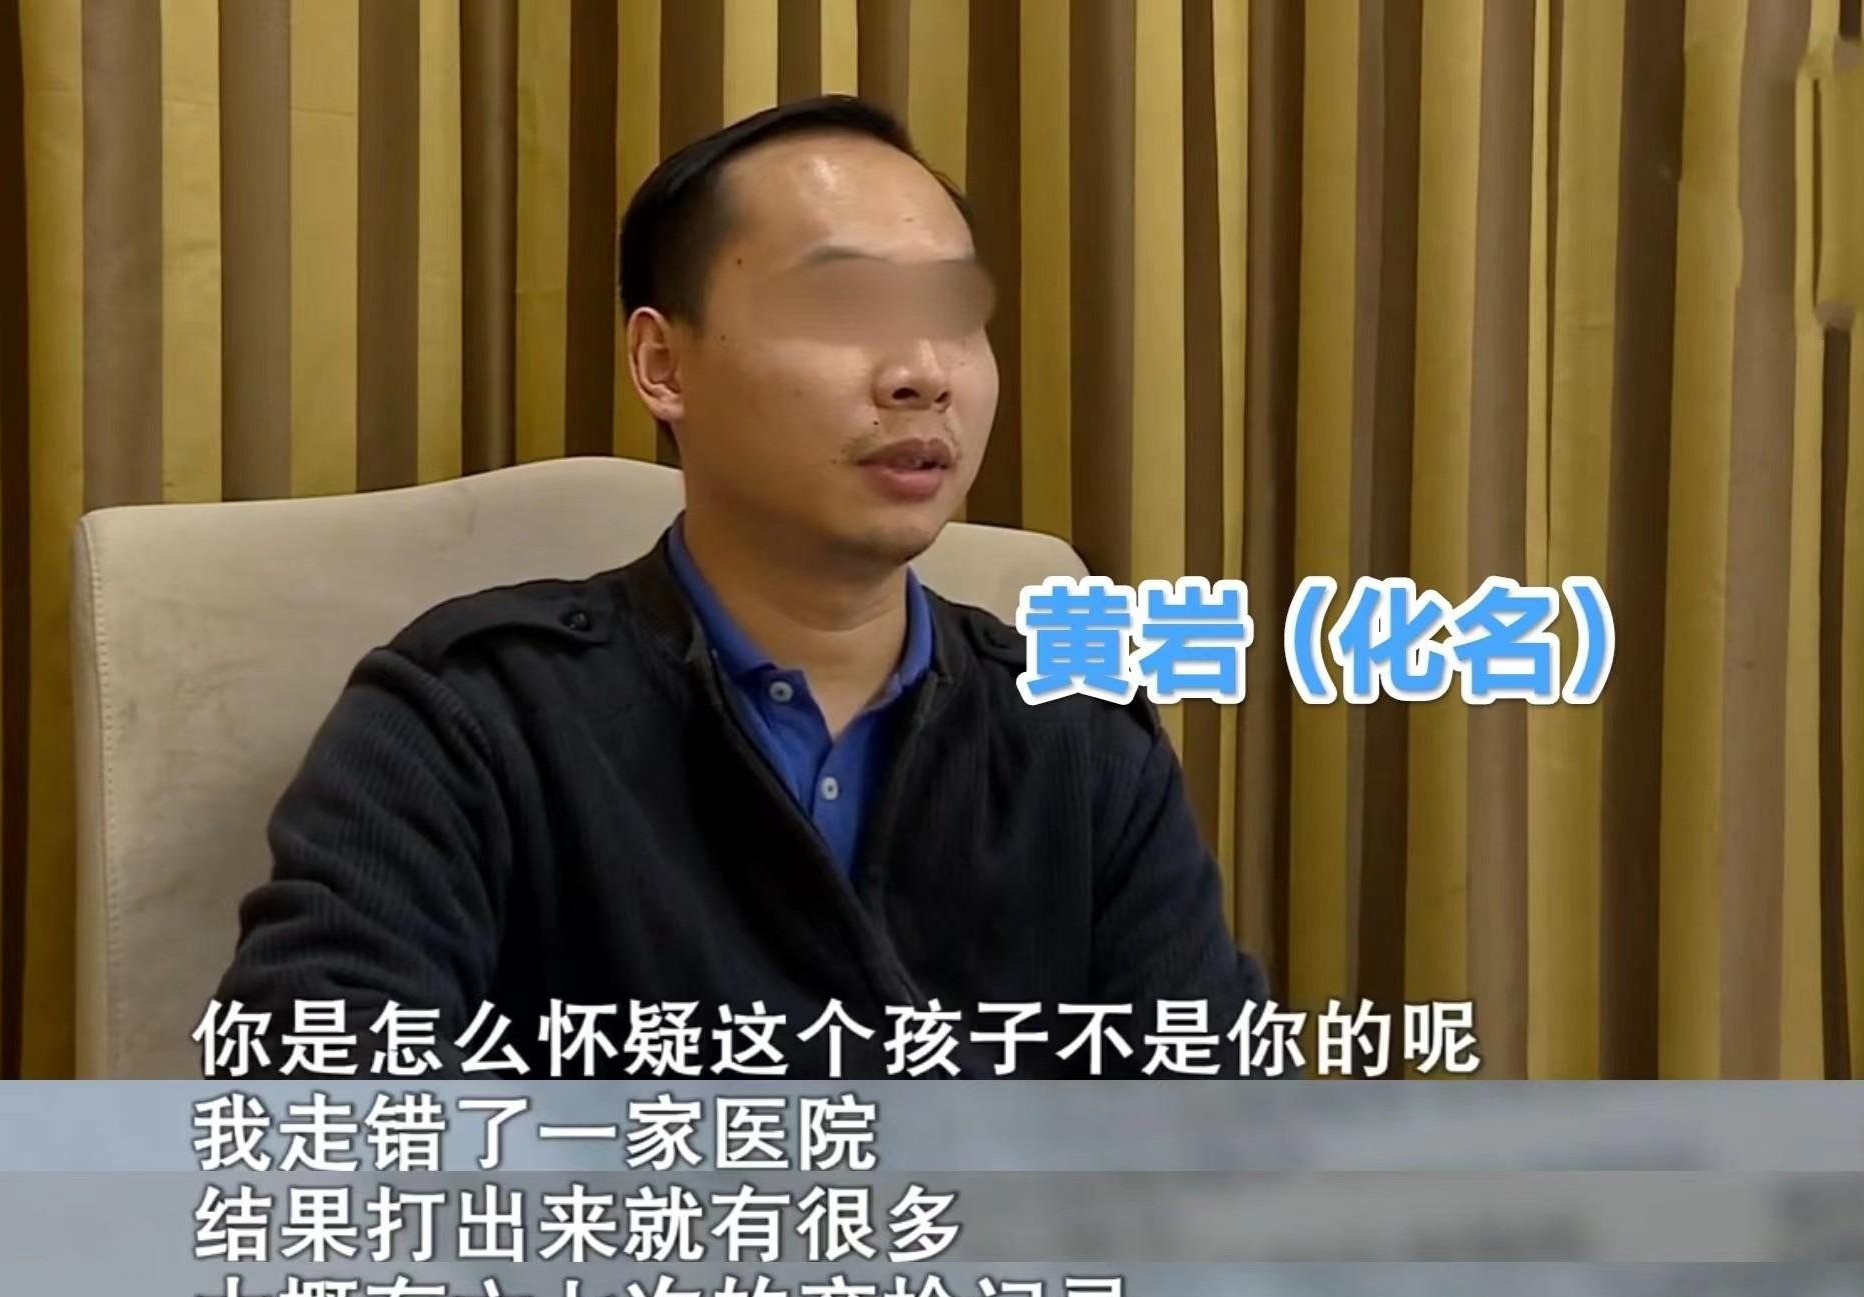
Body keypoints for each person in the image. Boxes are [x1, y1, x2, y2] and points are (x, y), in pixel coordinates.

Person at [214, 95, 1264, 1078]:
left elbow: (1230, 1139)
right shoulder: (473, 715)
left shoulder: (1075, 731)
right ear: (662, 364)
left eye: (953, 312)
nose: (923, 371)